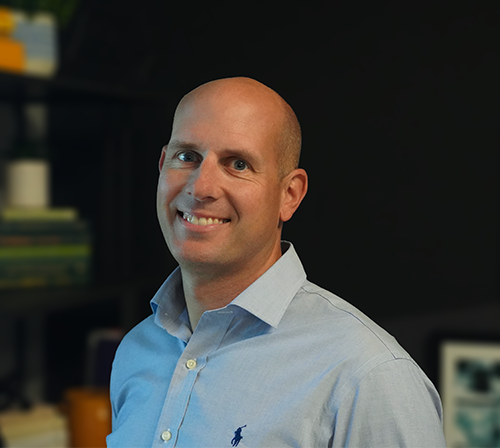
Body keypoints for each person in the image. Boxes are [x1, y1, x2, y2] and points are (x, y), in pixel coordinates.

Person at [107, 77, 446, 447]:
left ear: (289, 194)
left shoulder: (368, 377)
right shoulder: (137, 351)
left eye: (237, 163)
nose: (201, 187)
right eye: (187, 156)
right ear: (162, 165)